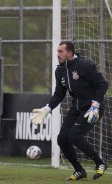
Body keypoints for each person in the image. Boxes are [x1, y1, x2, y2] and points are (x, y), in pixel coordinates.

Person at [30, 41, 108, 181]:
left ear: (70, 53)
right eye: (57, 51)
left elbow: (102, 84)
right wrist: (47, 109)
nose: (57, 54)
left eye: (61, 51)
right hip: (76, 108)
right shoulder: (59, 70)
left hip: (93, 108)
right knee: (62, 139)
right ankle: (79, 170)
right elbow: (59, 94)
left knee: (74, 137)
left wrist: (95, 104)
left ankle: (100, 162)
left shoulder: (85, 66)